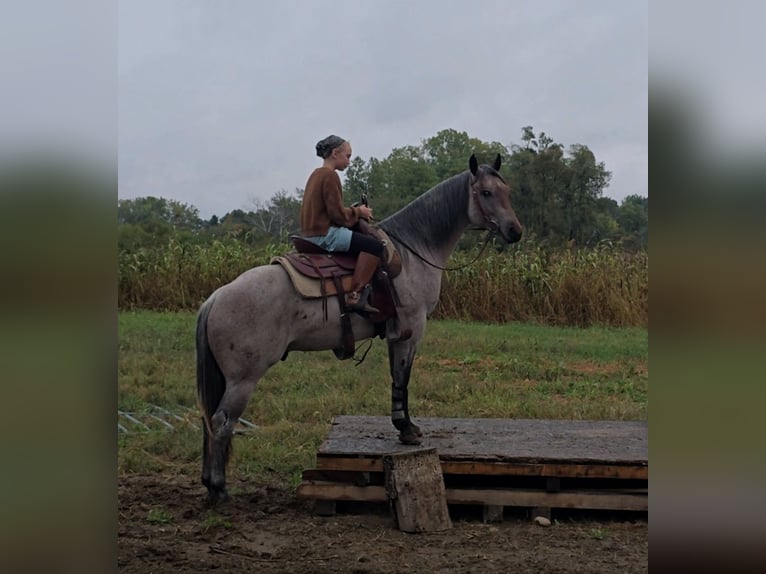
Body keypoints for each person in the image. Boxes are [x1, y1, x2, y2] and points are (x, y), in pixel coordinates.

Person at [299, 134, 384, 314]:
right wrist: (359, 212)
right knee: (375, 246)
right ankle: (355, 295)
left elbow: (329, 210)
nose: (349, 161)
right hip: (326, 235)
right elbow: (337, 215)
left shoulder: (315, 174)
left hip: (310, 234)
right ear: (335, 153)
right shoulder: (330, 176)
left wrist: (352, 210)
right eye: (348, 156)